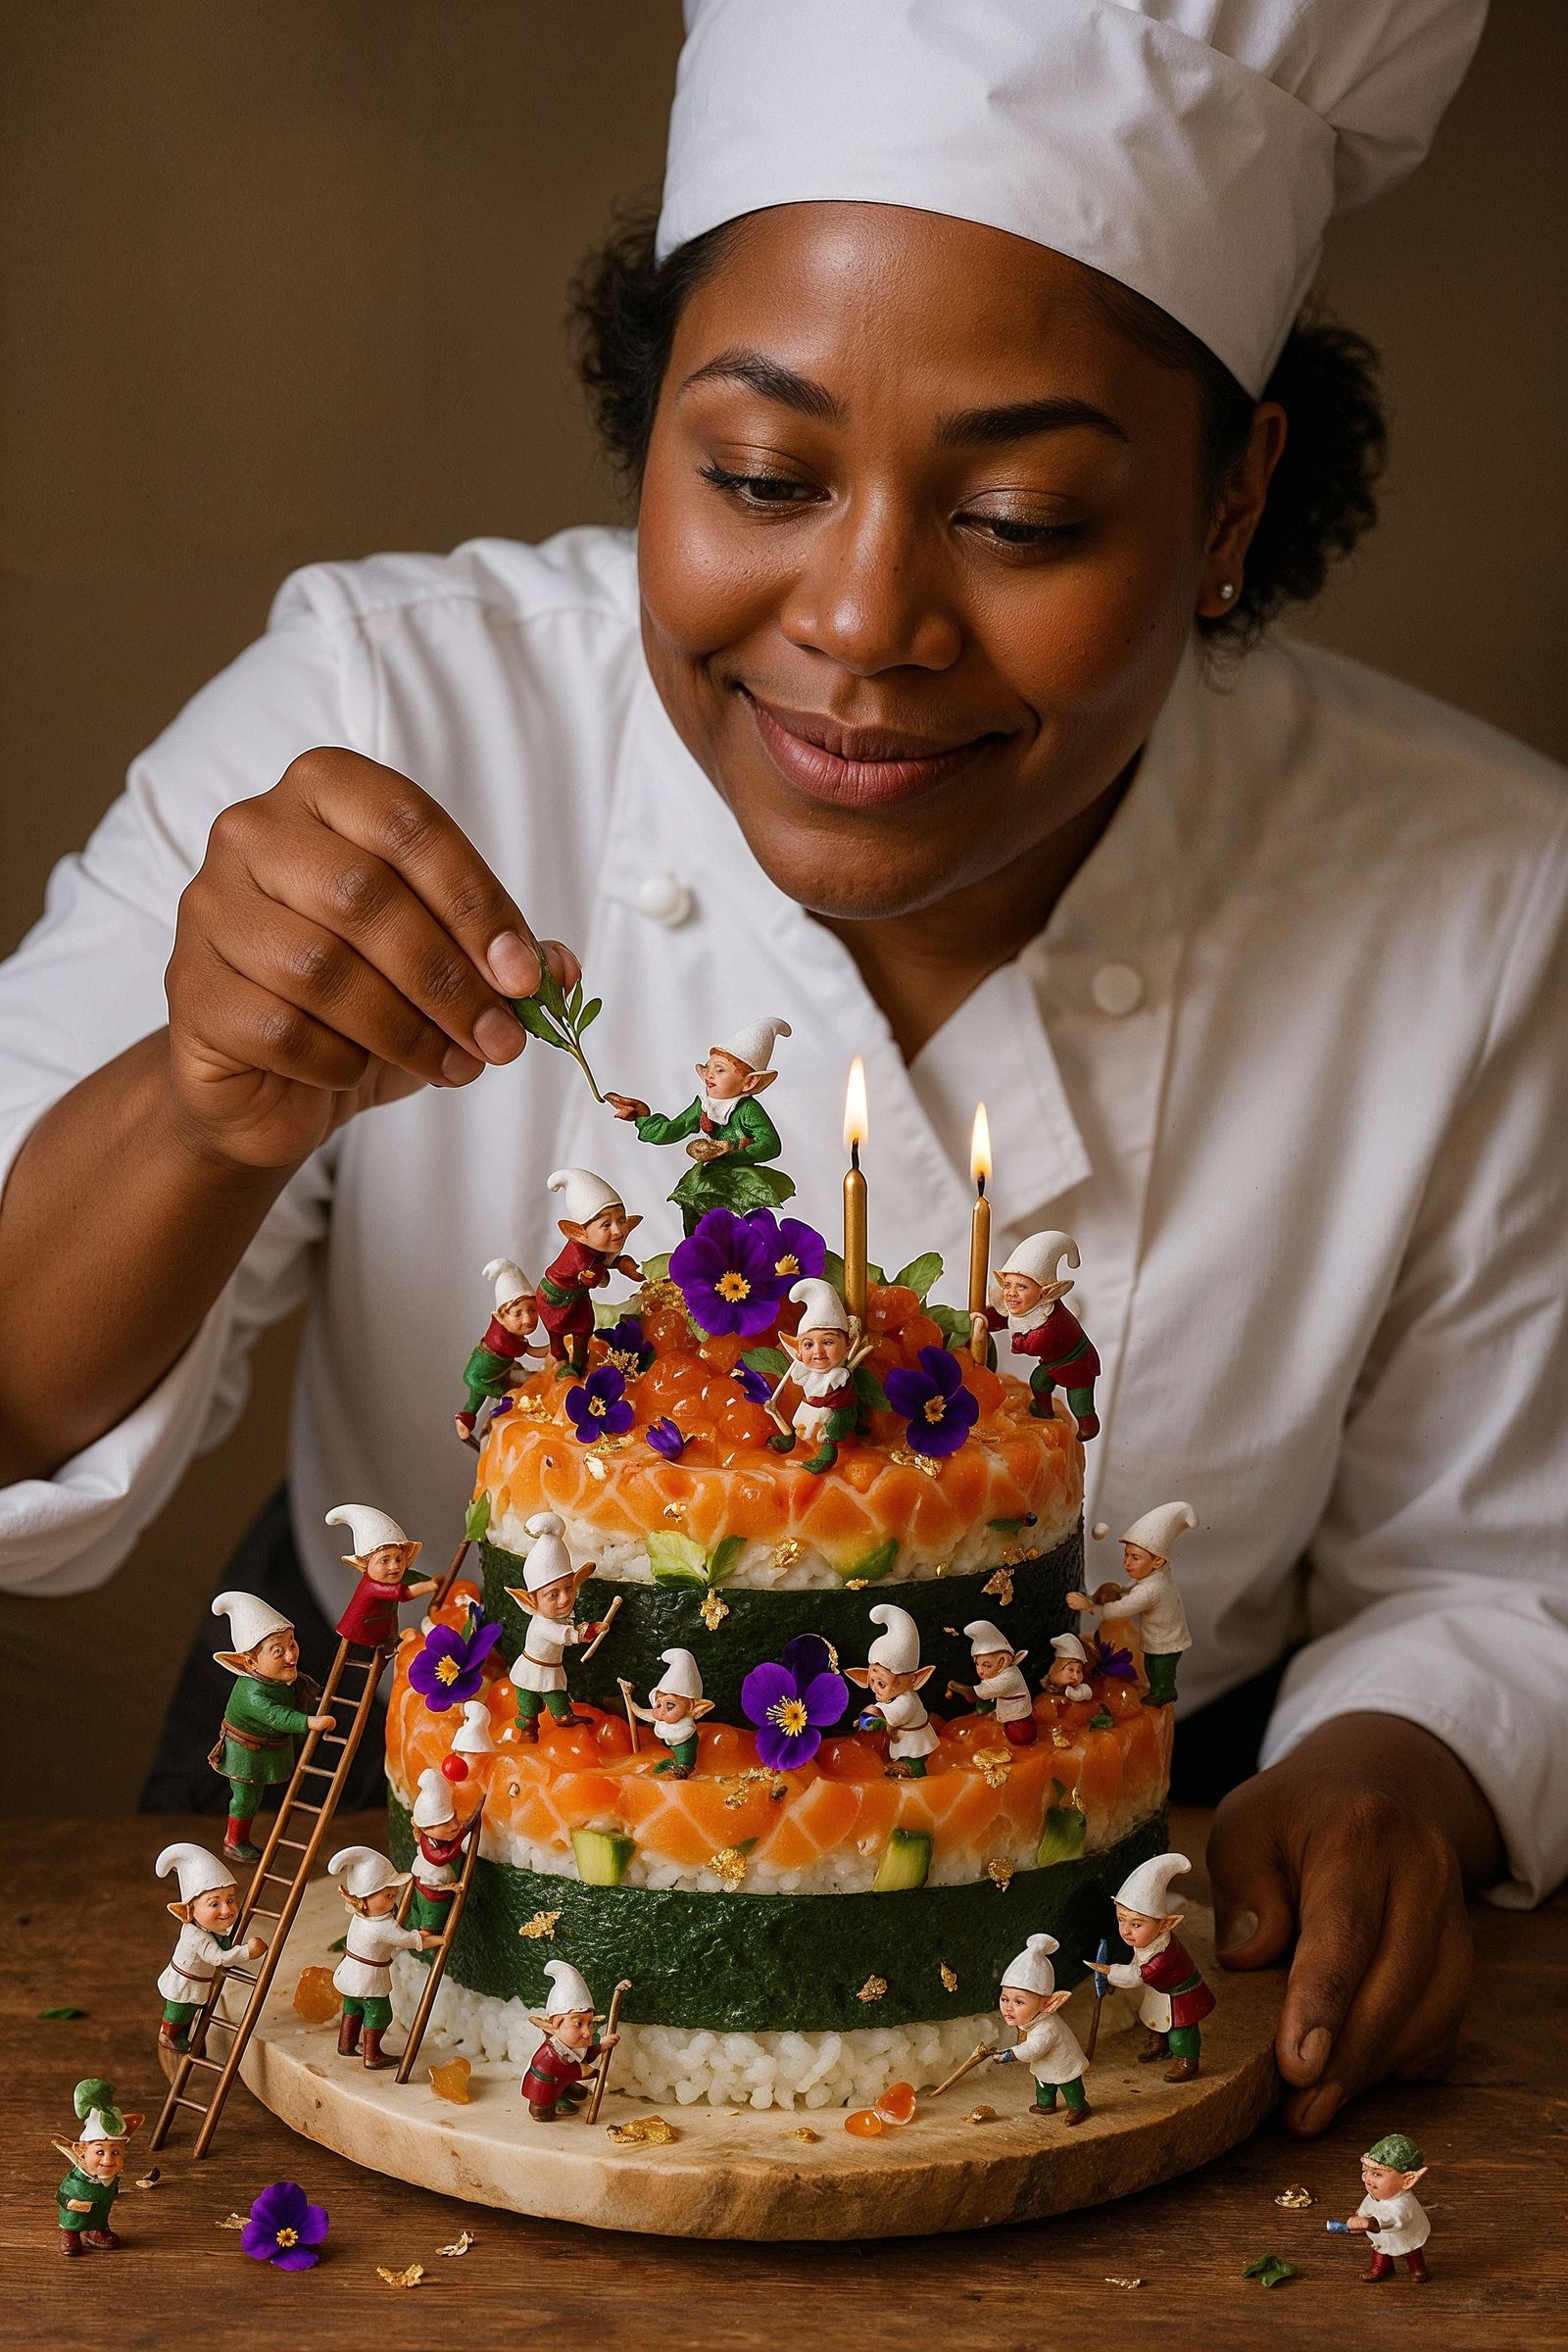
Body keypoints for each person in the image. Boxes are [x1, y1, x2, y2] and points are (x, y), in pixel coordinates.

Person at [0, 0, 1558, 2144]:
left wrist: (1401, 1765)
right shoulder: (382, 706)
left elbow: (1502, 1558)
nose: (859, 616)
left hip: (1105, 1935)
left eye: (1016, 515)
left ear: (1228, 502)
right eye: (756, 477)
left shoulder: (1477, 890)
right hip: (398, 1870)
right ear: (649, 426)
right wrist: (195, 1100)